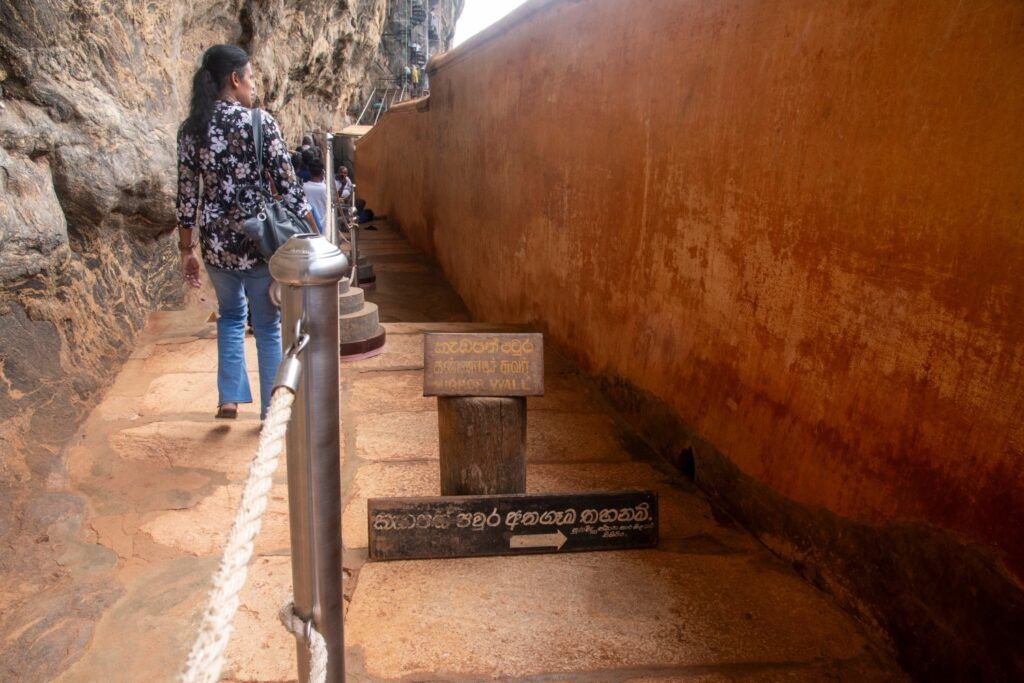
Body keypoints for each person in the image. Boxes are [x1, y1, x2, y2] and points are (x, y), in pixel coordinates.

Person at [176, 44, 317, 420]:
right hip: (258, 240)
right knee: (267, 324)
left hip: (215, 243)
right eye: (250, 77)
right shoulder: (259, 122)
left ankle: (229, 397)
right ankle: (271, 409)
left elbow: (187, 194)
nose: (254, 85)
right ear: (235, 79)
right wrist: (314, 230)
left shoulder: (191, 129)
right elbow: (289, 187)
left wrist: (186, 250)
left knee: (230, 315)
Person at [302, 159, 329, 231]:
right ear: (322, 172)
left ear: (309, 172)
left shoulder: (303, 187)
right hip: (325, 226)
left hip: (310, 226)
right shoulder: (326, 188)